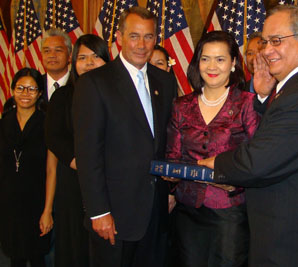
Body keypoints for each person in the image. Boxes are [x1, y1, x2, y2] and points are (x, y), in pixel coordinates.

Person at [198, 5, 298, 266]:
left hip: (286, 236)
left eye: (276, 41)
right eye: (265, 42)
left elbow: (258, 162)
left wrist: (216, 164)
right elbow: (285, 138)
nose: (266, 51)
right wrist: (263, 98)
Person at [72, 7, 177, 267]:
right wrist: (99, 211)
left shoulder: (164, 82)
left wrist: (172, 188)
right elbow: (88, 155)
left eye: (149, 37)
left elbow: (166, 140)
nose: (141, 45)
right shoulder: (94, 83)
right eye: (134, 36)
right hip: (114, 216)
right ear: (118, 37)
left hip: (155, 211)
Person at [165, 31, 260, 267]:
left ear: (233, 63)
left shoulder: (248, 103)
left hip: (230, 213)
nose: (212, 66)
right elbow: (173, 156)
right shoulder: (181, 105)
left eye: (220, 59)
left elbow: (257, 159)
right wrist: (169, 174)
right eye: (205, 58)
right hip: (188, 213)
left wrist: (235, 181)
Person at [40, 34, 110, 267]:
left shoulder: (118, 95)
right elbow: (53, 136)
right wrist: (77, 162)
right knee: (74, 248)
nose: (89, 63)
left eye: (95, 57)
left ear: (107, 60)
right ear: (73, 62)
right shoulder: (63, 95)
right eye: (82, 57)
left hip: (108, 181)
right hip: (72, 181)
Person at [0, 68, 50, 267]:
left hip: (36, 202)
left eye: (31, 89)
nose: (25, 93)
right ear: (12, 90)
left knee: (38, 257)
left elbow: (51, 170)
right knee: (14, 257)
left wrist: (47, 210)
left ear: (39, 93)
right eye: (20, 88)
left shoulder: (46, 123)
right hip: (8, 202)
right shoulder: (4, 123)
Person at [41, 28, 72, 101]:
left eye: (58, 50)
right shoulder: (36, 84)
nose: (52, 55)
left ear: (70, 56)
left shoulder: (79, 85)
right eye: (47, 51)